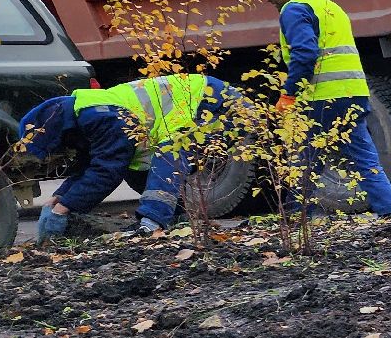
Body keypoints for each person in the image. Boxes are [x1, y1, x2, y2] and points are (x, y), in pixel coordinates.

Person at [254, 0, 391, 216]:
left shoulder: (294, 8)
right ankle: (390, 212)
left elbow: (304, 53)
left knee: (306, 160)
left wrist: (289, 92)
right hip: (353, 93)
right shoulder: (329, 6)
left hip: (323, 97)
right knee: (365, 158)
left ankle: (298, 220)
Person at [19, 73, 239, 240]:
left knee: (169, 152)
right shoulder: (83, 114)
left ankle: (151, 225)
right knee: (137, 170)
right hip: (204, 99)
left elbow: (107, 171)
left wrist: (65, 208)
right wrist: (59, 197)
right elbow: (90, 166)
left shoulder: (100, 115)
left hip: (212, 101)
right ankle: (177, 218)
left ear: (56, 132)